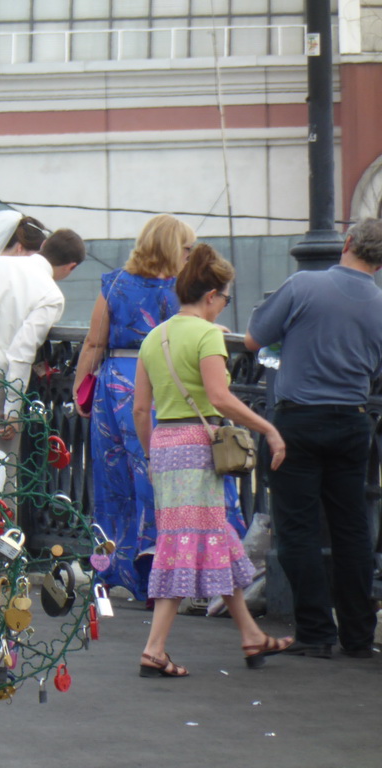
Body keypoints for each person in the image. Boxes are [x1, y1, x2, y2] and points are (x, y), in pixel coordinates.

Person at [134, 243, 291, 677]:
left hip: (164, 444)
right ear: (210, 296)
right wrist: (269, 429)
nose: (223, 306)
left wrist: (152, 454)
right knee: (184, 544)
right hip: (196, 446)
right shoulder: (207, 336)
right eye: (224, 298)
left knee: (211, 538)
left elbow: (140, 411)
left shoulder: (154, 336)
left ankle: (251, 636)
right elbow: (220, 397)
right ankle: (154, 648)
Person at [245, 218, 382, 659]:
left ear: (346, 243)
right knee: (352, 528)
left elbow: (252, 339)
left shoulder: (303, 285)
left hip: (297, 424)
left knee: (298, 528)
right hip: (354, 422)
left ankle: (316, 632)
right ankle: (359, 636)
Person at [71, 214, 194, 602]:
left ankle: (107, 570)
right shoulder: (183, 290)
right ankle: (156, 574)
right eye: (187, 247)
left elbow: (94, 342)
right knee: (153, 475)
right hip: (158, 383)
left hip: (115, 384)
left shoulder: (116, 283)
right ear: (175, 249)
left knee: (112, 478)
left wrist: (80, 390)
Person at [0, 223, 86, 501]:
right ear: (70, 266)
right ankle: (0, 542)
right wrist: (13, 412)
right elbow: (21, 353)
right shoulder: (50, 295)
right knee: (1, 471)